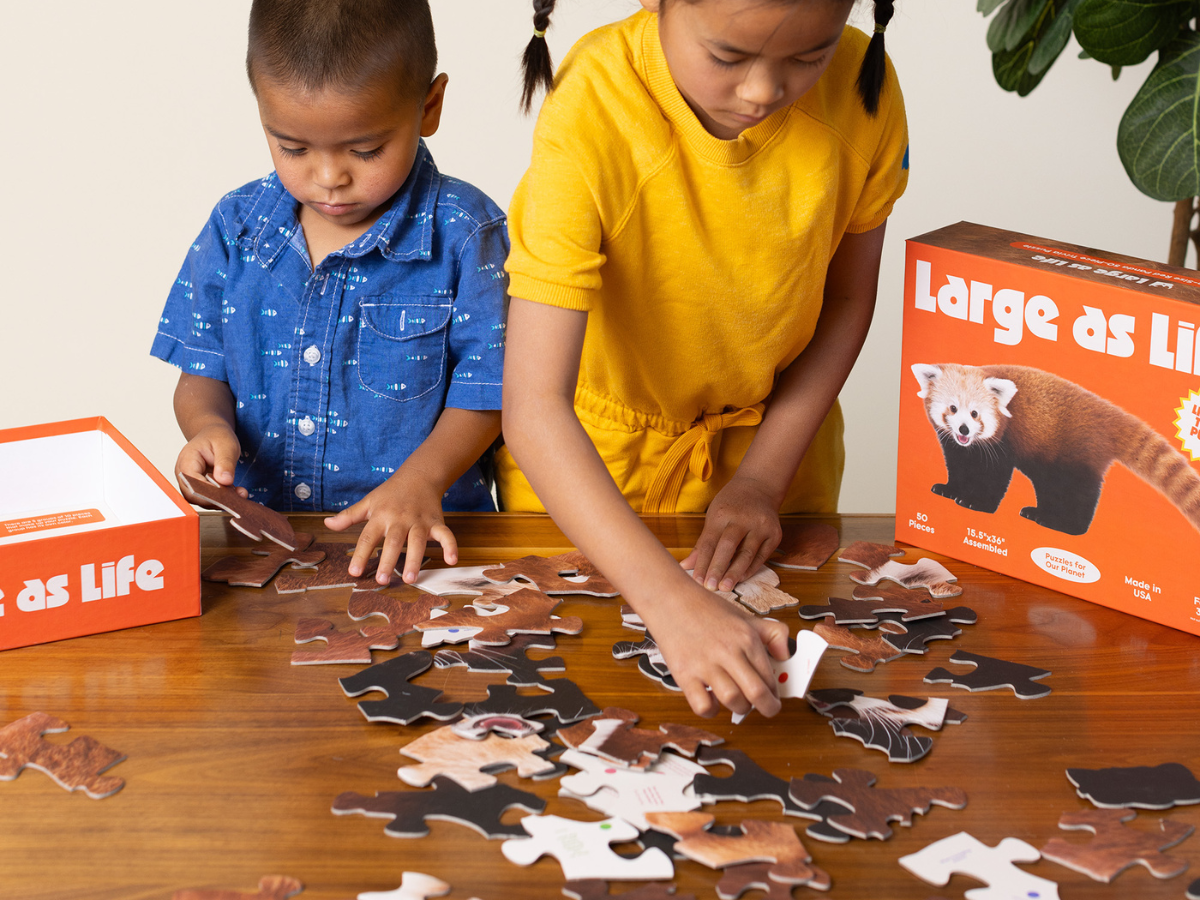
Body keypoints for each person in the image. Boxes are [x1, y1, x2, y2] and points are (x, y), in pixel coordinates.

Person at [500, 0, 908, 718]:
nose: (762, 91)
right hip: (592, 477)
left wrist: (760, 480)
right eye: (727, 57)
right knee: (589, 717)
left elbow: (847, 302)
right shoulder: (591, 103)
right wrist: (669, 600)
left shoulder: (866, 88)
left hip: (779, 463)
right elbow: (532, 408)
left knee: (782, 721)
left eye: (808, 57)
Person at [152, 0, 508, 587]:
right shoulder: (235, 227)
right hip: (264, 555)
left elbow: (492, 390)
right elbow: (201, 370)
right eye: (293, 148)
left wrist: (422, 480)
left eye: (364, 150)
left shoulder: (467, 233)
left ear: (429, 107)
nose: (328, 177)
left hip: (427, 556)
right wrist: (207, 429)